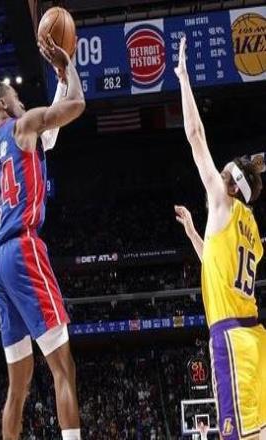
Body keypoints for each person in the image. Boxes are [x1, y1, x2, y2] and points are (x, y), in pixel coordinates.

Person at [0, 35, 85, 440]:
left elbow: (50, 135)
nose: (22, 101)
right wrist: (70, 67)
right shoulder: (23, 125)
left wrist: (59, 79)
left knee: (19, 386)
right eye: (16, 97)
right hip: (24, 248)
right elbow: (77, 106)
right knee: (64, 368)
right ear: (2, 106)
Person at [175, 35, 266, 440]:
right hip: (255, 337)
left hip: (231, 339)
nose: (221, 169)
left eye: (226, 170)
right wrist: (195, 234)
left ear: (231, 183)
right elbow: (219, 268)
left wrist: (182, 78)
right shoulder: (250, 227)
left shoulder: (222, 198)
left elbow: (195, 135)